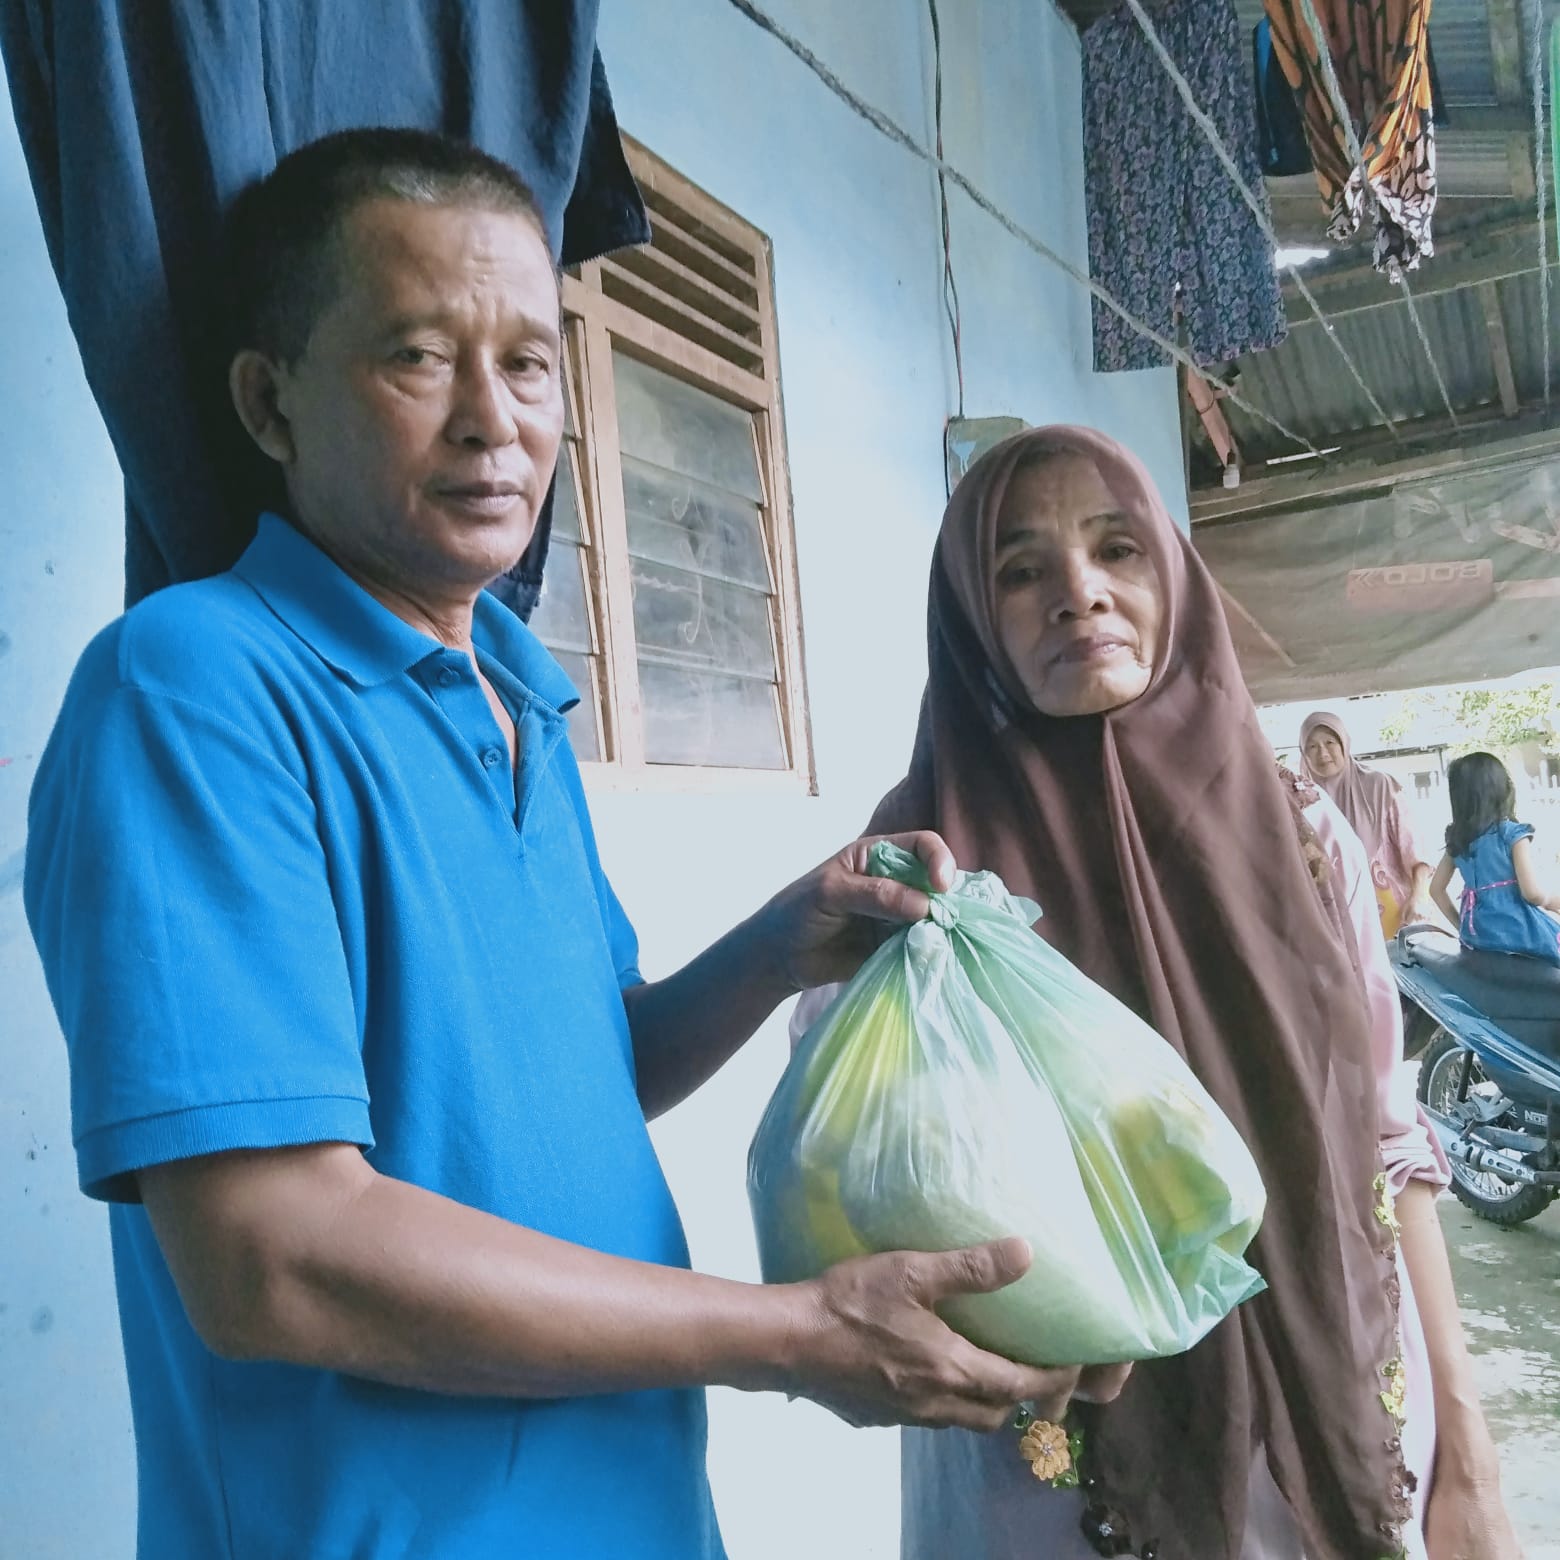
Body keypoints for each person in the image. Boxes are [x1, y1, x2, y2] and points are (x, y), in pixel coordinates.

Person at [21, 132, 1124, 1560]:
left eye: (532, 364)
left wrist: (775, 946)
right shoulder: (195, 688)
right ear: (269, 401)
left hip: (636, 1512)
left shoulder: (516, 694)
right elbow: (272, 1258)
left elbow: (582, 1073)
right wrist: (789, 1335)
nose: (497, 423)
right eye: (418, 357)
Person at [795, 427, 1519, 1559]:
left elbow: (1389, 1140)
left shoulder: (1305, 840)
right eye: (1020, 569)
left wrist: (1468, 1454)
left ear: (1170, 577)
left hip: (1327, 1424)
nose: (1077, 595)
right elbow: (858, 1166)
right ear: (971, 618)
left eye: (1115, 549)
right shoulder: (909, 870)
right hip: (1049, 1481)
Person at [1301, 710, 1436, 934]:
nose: (1322, 753)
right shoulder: (1302, 799)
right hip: (1334, 919)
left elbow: (1415, 847)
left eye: (1329, 742)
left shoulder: (1379, 787)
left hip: (1394, 910)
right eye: (1312, 747)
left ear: (1344, 744)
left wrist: (1420, 896)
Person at [1429, 751, 1560, 965]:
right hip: (1519, 934)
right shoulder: (1512, 835)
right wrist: (1552, 900)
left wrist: (1462, 926)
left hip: (1480, 939)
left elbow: (1435, 890)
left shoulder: (1459, 841)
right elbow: (1532, 893)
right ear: (1502, 789)